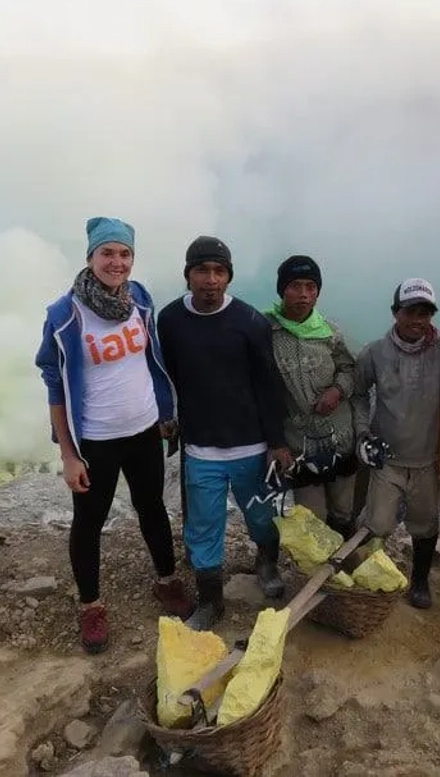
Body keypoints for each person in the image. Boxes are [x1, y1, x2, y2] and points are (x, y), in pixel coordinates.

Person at [34, 216, 188, 655]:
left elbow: (149, 358)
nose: (116, 263)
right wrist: (68, 454)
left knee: (152, 506)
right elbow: (55, 384)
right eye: (108, 253)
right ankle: (91, 605)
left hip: (143, 430)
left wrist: (164, 412)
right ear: (90, 258)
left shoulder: (139, 300)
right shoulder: (65, 315)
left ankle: (167, 580)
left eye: (125, 254)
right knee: (89, 522)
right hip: (96, 441)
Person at [156, 235, 293, 631]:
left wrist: (277, 442)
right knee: (203, 527)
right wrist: (169, 416)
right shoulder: (170, 320)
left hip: (251, 445)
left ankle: (266, 562)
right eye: (202, 270)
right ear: (188, 276)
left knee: (262, 518)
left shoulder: (250, 321)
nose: (211, 280)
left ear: (228, 277)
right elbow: (167, 376)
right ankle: (211, 600)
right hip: (201, 449)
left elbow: (268, 385)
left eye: (219, 271)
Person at [350, 278, 440, 610]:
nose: (418, 320)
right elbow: (358, 395)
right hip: (386, 459)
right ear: (394, 312)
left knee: (426, 522)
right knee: (378, 523)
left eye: (425, 312)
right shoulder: (374, 353)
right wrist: (362, 434)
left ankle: (419, 581)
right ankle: (367, 574)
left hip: (429, 460)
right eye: (411, 311)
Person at [263, 255, 359, 537]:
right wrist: (275, 442)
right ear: (282, 290)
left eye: (311, 287)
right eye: (295, 286)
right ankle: (320, 570)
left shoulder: (329, 332)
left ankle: (343, 568)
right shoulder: (266, 331)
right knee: (313, 517)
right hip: (299, 443)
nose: (303, 295)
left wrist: (337, 390)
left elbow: (349, 369)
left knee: (343, 511)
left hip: (339, 437)